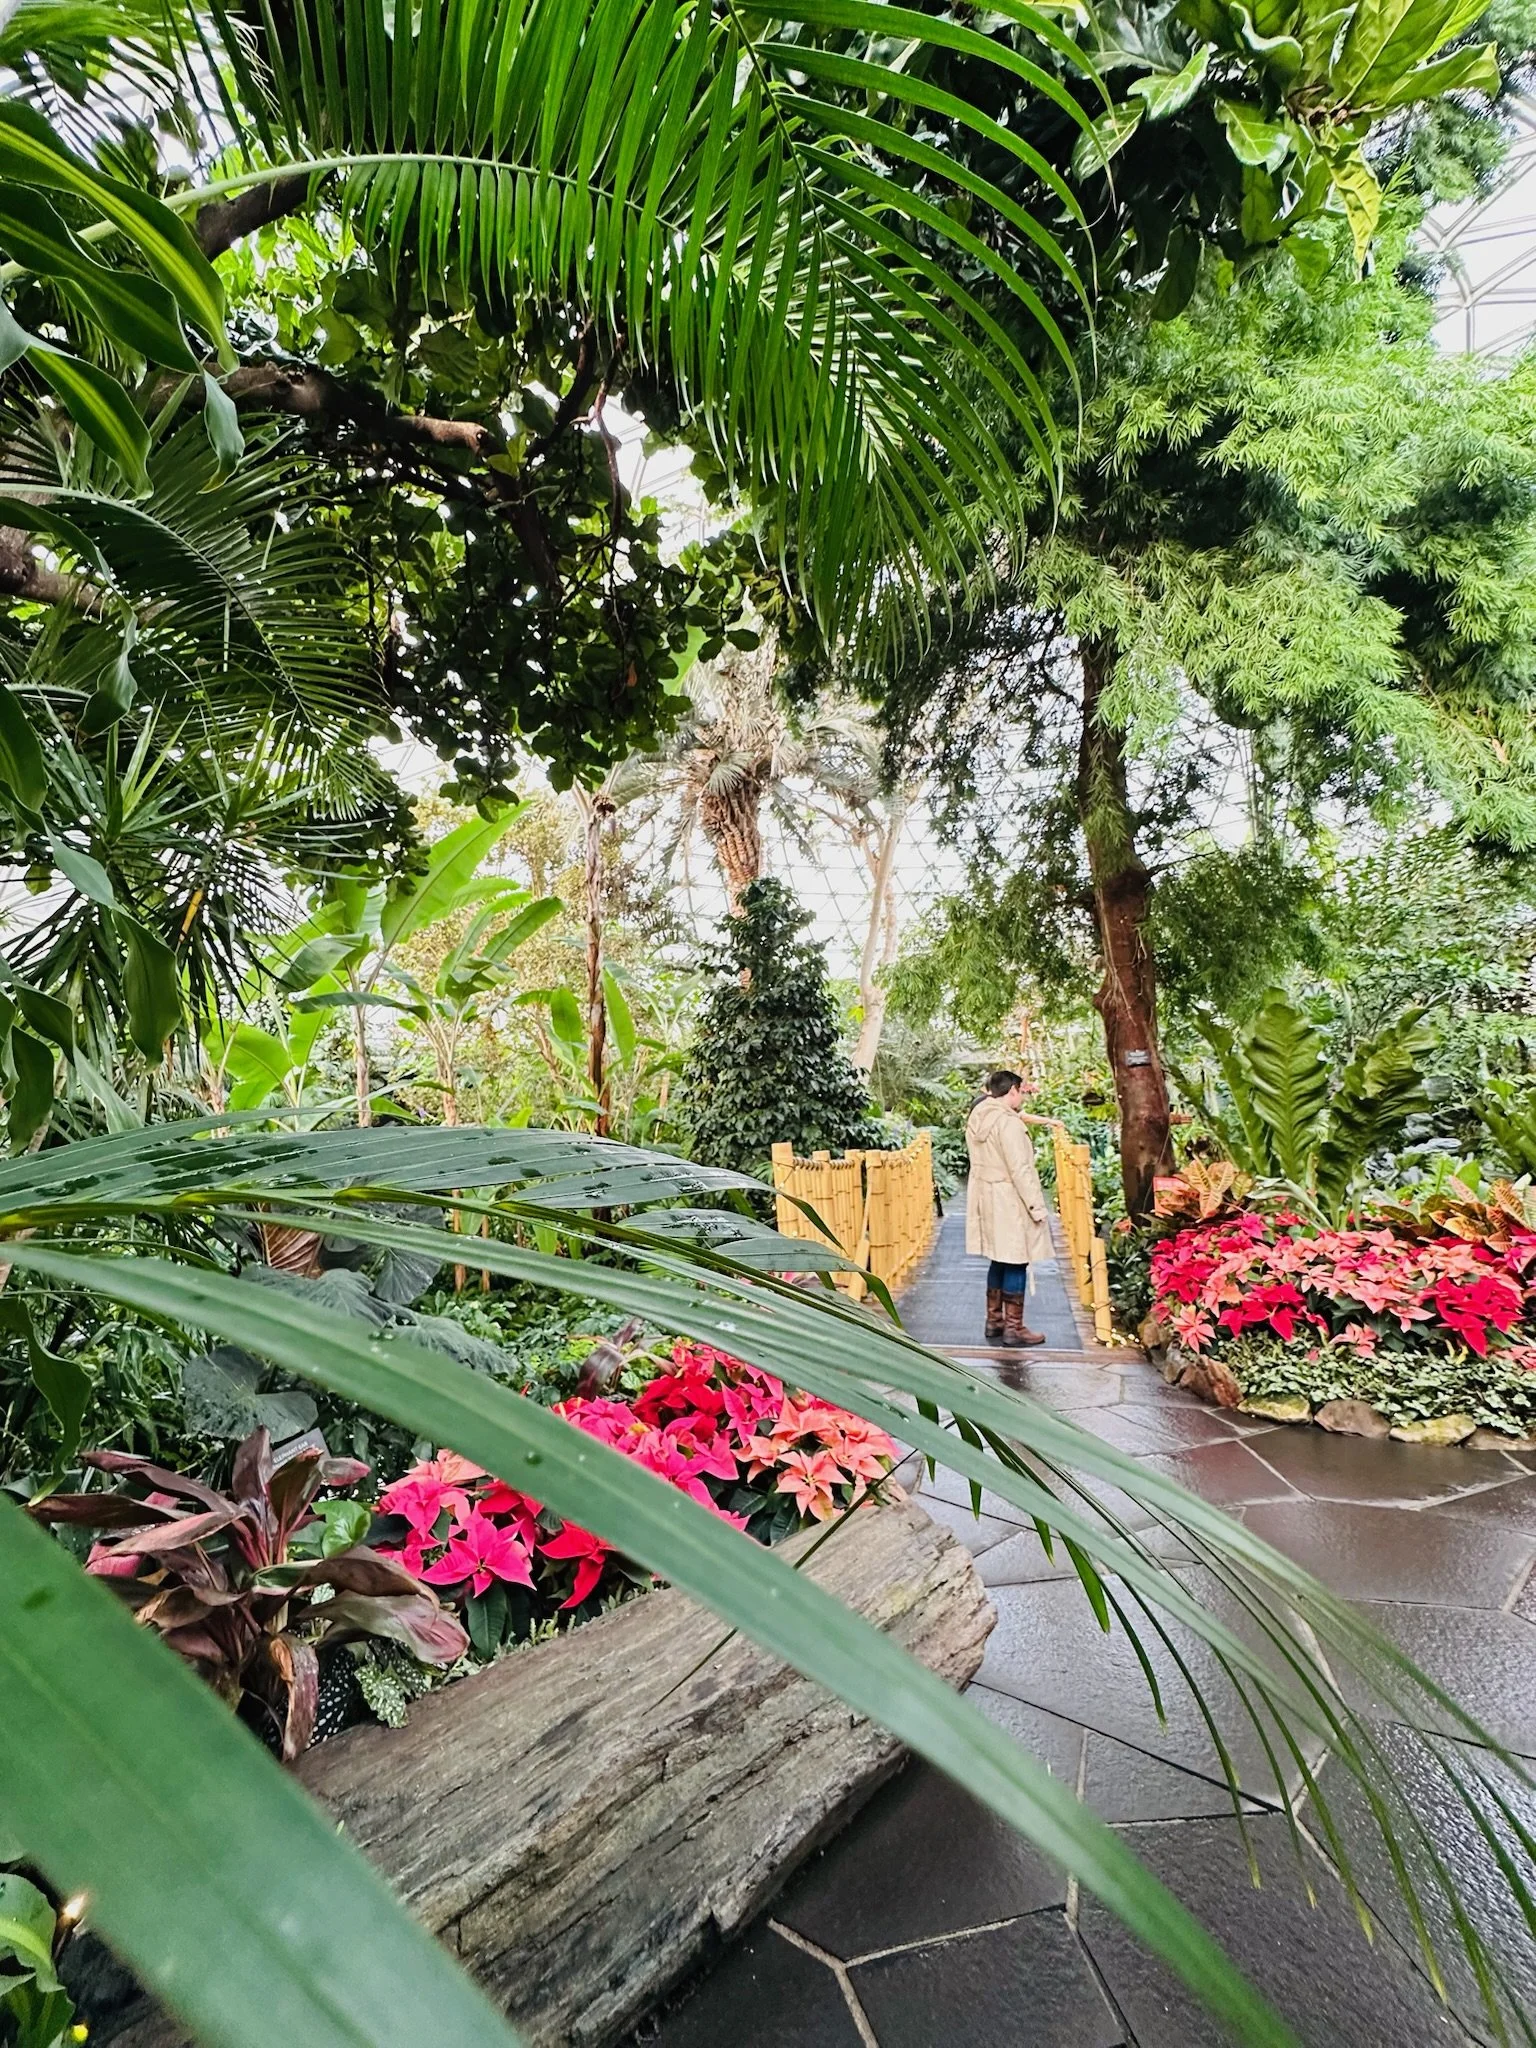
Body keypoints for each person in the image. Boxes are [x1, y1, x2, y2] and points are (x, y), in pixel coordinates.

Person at [965, 1070, 1051, 1347]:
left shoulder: (977, 1118)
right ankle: (1015, 1328)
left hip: (986, 1196)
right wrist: (1037, 1208)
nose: (1022, 1096)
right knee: (1016, 1257)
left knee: (998, 1258)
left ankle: (994, 1322)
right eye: (1021, 1091)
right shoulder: (1008, 1124)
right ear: (1012, 1090)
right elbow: (1020, 1169)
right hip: (1009, 1199)